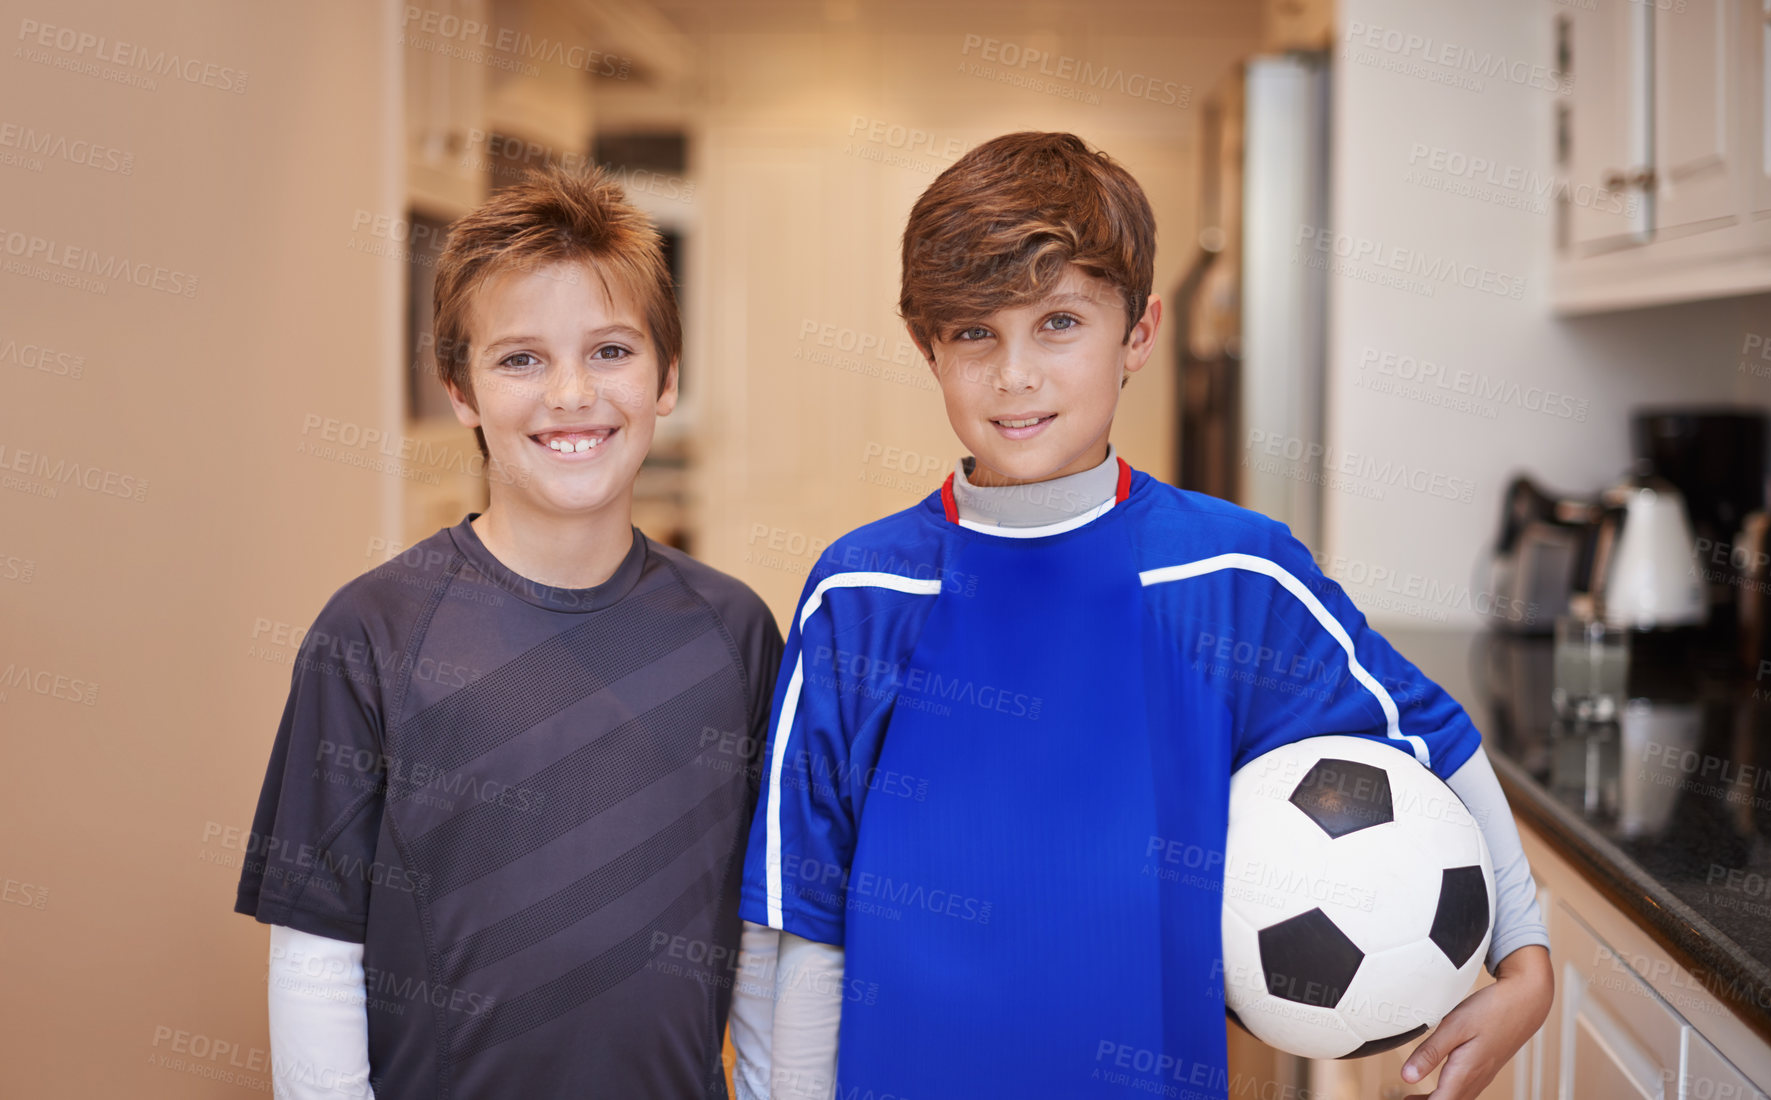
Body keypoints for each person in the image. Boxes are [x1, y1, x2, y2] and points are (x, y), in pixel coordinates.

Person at [730, 132, 1552, 1100]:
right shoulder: (862, 591)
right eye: (972, 334)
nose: (1015, 374)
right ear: (927, 348)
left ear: (1139, 334)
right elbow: (795, 914)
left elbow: (1432, 735)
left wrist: (1525, 954)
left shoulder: (1234, 572)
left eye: (1059, 322)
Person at [234, 166, 783, 1100]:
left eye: (611, 351)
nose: (571, 394)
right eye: (520, 359)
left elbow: (762, 948)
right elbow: (317, 955)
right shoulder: (371, 635)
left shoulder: (735, 634)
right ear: (460, 387)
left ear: (668, 378)